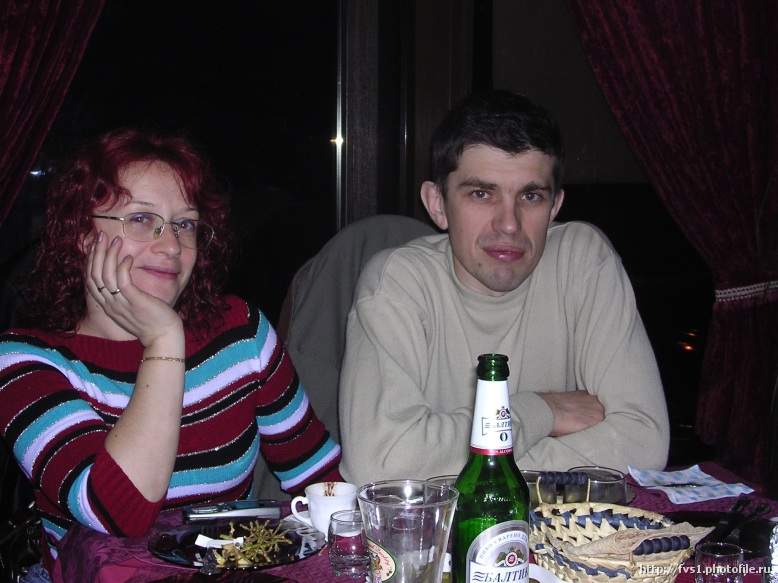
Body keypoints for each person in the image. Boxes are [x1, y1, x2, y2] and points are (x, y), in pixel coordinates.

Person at [0, 129, 342, 577]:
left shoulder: (241, 334)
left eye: (185, 224)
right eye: (142, 219)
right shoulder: (24, 362)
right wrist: (164, 341)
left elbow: (319, 478)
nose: (171, 246)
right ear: (82, 234)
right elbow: (118, 514)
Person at [339, 90, 670, 486]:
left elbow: (644, 443)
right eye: (481, 194)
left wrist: (479, 469)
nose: (509, 224)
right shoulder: (397, 282)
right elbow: (379, 465)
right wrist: (540, 412)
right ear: (438, 204)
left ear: (554, 207)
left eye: (530, 196)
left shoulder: (582, 260)